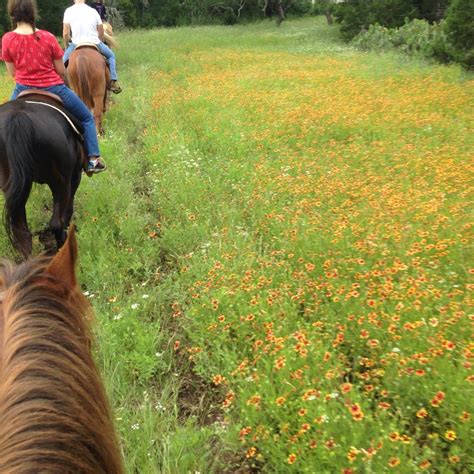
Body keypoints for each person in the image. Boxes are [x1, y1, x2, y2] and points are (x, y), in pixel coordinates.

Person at [1, 0, 106, 174]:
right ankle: (93, 159)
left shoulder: (7, 39)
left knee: (6, 125)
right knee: (87, 118)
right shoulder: (48, 37)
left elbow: (12, 72)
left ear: (12, 13)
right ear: (33, 13)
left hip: (22, 88)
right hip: (54, 88)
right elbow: (61, 71)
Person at [63, 0, 121, 94]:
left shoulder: (68, 11)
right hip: (94, 42)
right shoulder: (93, 11)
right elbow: (101, 31)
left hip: (76, 43)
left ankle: (60, 85)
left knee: (62, 63)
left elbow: (65, 34)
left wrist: (66, 46)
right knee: (111, 56)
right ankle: (113, 81)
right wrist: (99, 41)